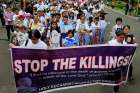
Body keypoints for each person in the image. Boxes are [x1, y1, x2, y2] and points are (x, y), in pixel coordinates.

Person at [108, 29, 127, 93]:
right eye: (120, 37)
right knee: (109, 76)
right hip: (111, 63)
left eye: (123, 37)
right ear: (116, 36)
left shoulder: (125, 43)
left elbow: (129, 51)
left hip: (119, 65)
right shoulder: (111, 43)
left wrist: (134, 47)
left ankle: (115, 91)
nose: (122, 39)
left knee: (117, 78)